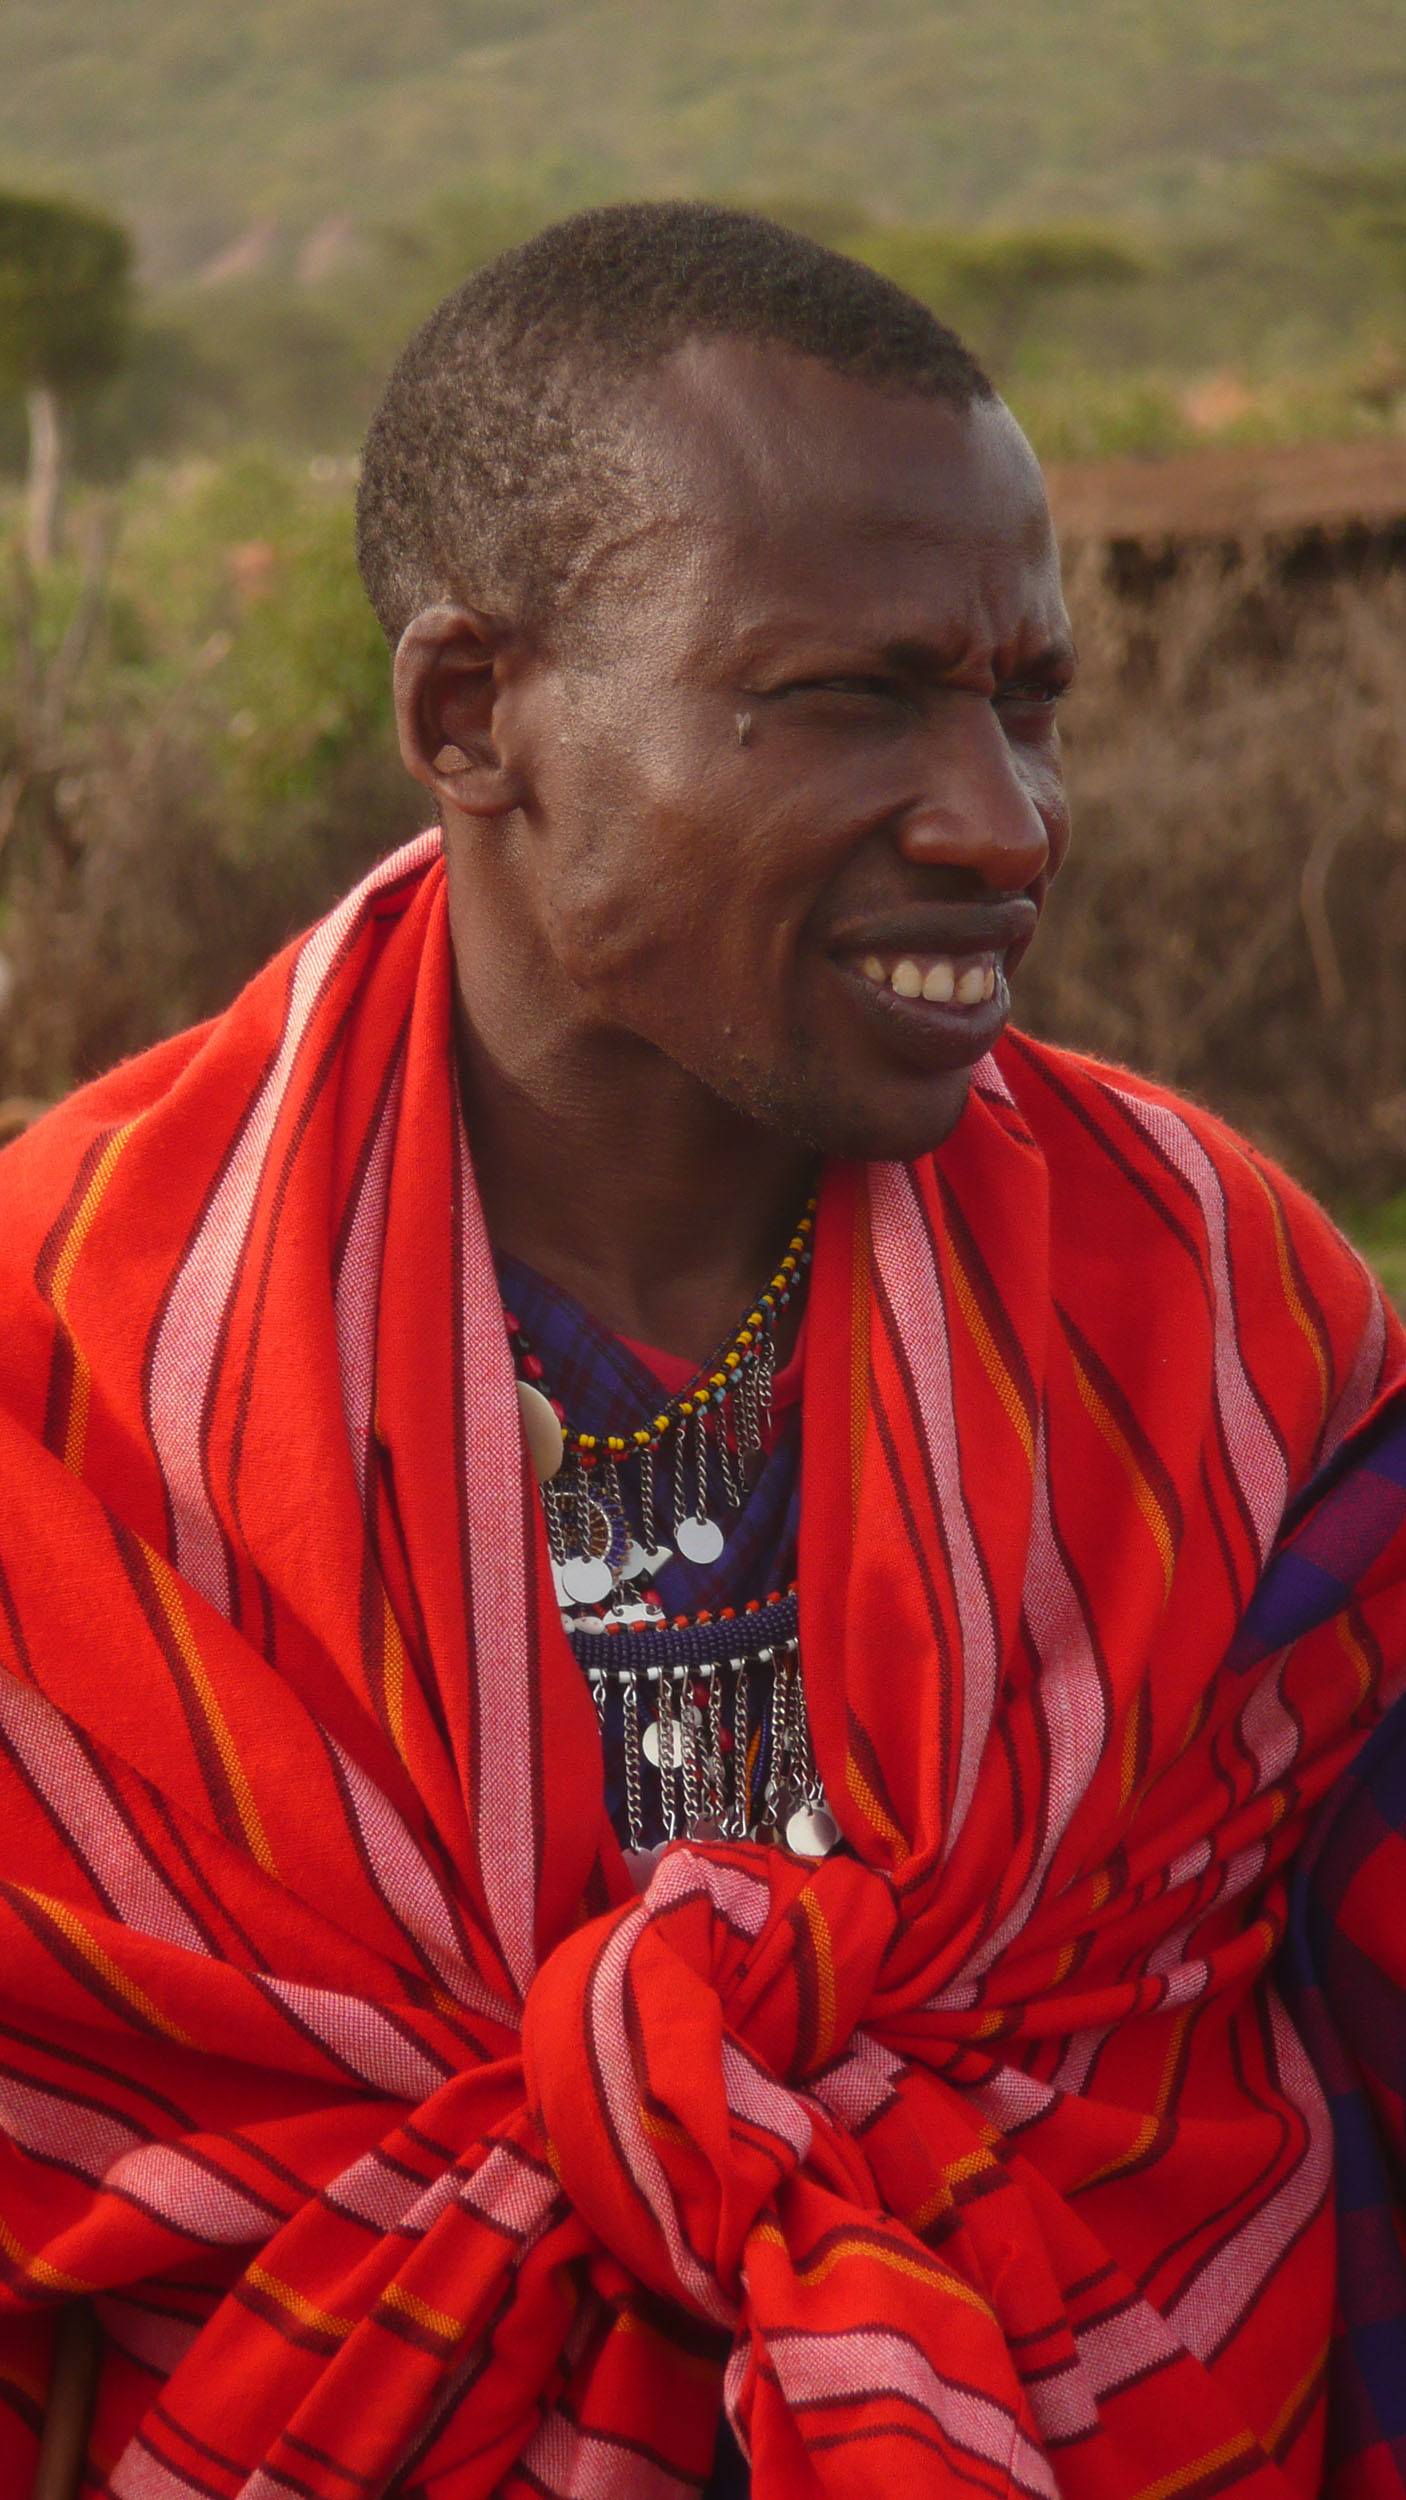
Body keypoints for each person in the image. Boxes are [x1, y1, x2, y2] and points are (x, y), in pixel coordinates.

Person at [0, 201, 1402, 2500]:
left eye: (1026, 698)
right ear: (475, 714)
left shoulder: (1212, 1307)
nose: (1001, 818)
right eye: (849, 698)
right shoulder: (64, 1376)